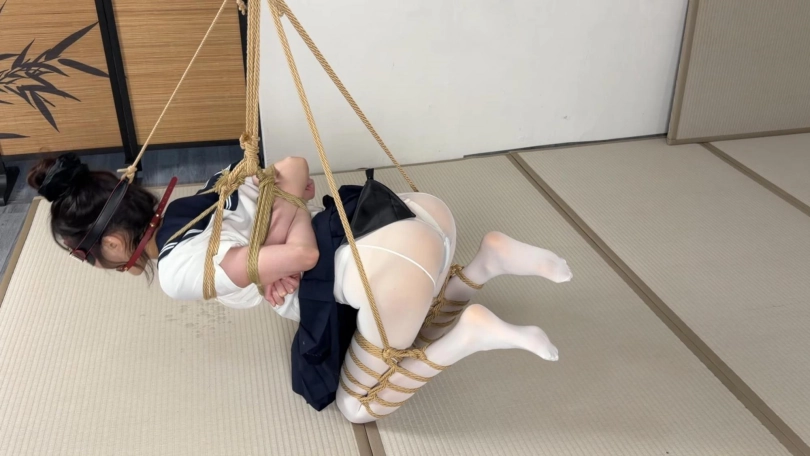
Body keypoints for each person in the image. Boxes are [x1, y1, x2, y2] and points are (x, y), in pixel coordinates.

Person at [28, 153, 572, 423]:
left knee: (359, 404)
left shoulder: (176, 271)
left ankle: (470, 333)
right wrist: (284, 224)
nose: (97, 264)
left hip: (375, 267)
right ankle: (487, 261)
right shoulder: (201, 195)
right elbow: (292, 166)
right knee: (412, 304)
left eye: (88, 256)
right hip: (408, 212)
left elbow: (305, 258)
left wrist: (280, 251)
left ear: (112, 245)